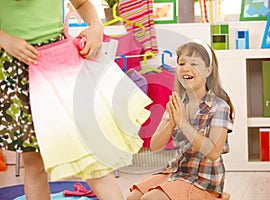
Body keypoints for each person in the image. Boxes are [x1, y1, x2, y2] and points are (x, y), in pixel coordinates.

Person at [0, 1, 126, 200]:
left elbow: (82, 2)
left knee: (91, 155)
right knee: (34, 161)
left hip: (59, 63)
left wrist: (96, 26)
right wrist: (5, 39)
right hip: (17, 67)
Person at [127, 41, 235, 200]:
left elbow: (213, 153)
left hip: (204, 180)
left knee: (150, 199)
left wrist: (182, 122)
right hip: (176, 171)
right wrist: (171, 122)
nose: (186, 67)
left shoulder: (219, 107)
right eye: (181, 63)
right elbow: (155, 145)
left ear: (208, 71)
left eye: (194, 63)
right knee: (133, 197)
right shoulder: (178, 103)